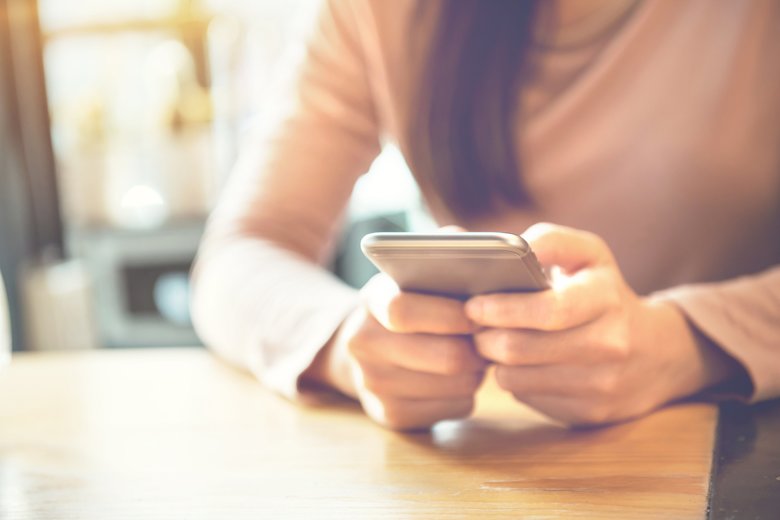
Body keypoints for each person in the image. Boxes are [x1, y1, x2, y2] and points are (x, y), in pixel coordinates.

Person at [191, 0, 780, 430]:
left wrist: (686, 345)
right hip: (492, 459)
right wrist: (345, 345)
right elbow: (240, 253)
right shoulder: (377, 12)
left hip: (740, 444)